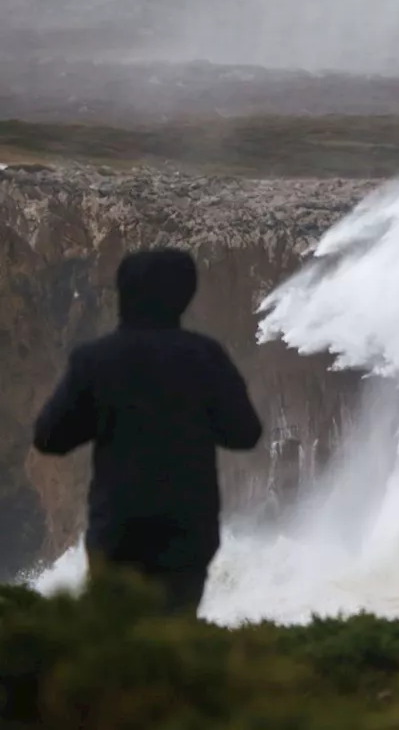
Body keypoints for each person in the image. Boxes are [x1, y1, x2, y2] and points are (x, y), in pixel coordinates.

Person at [32, 248, 263, 615]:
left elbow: (49, 438)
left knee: (118, 637)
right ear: (183, 296)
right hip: (187, 529)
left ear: (123, 293)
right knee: (175, 634)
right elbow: (245, 433)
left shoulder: (94, 360)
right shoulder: (205, 357)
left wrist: (102, 414)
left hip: (119, 527)